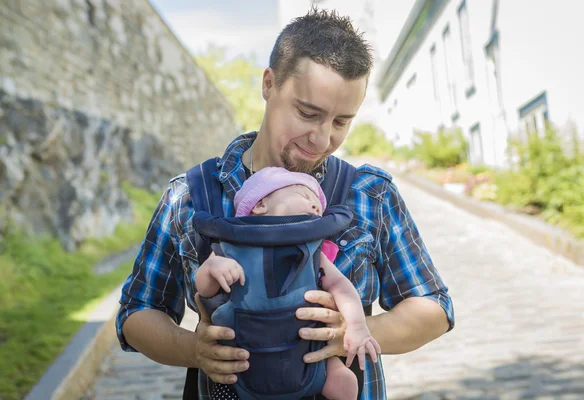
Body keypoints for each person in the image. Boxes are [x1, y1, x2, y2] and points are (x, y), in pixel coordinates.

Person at [117, 7, 455, 400]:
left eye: (341, 121)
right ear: (268, 84)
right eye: (308, 113)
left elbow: (434, 308)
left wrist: (356, 331)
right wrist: (194, 349)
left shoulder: (369, 193)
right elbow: (135, 314)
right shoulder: (189, 195)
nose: (322, 138)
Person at [195, 166, 382, 399]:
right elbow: (204, 289)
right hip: (243, 359)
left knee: (344, 379)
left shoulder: (312, 249)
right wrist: (213, 268)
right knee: (224, 379)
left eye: (319, 206)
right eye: (305, 196)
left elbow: (341, 286)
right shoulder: (230, 246)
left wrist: (356, 327)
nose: (316, 206)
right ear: (260, 204)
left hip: (305, 352)